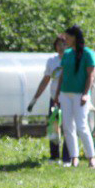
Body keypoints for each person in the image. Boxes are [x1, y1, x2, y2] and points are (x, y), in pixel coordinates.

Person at [57, 25, 95, 169]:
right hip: (65, 94)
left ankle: (91, 157)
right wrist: (57, 94)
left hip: (80, 95)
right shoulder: (67, 54)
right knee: (68, 126)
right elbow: (62, 75)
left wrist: (86, 94)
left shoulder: (88, 53)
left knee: (81, 126)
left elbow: (90, 76)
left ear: (74, 37)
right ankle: (74, 157)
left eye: (67, 38)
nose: (65, 41)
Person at [27, 35, 71, 164]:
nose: (61, 47)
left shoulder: (72, 60)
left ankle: (67, 158)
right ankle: (54, 156)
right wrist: (34, 99)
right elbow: (45, 80)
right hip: (54, 99)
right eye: (58, 44)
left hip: (68, 98)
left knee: (68, 128)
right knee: (53, 127)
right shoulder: (52, 61)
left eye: (63, 44)